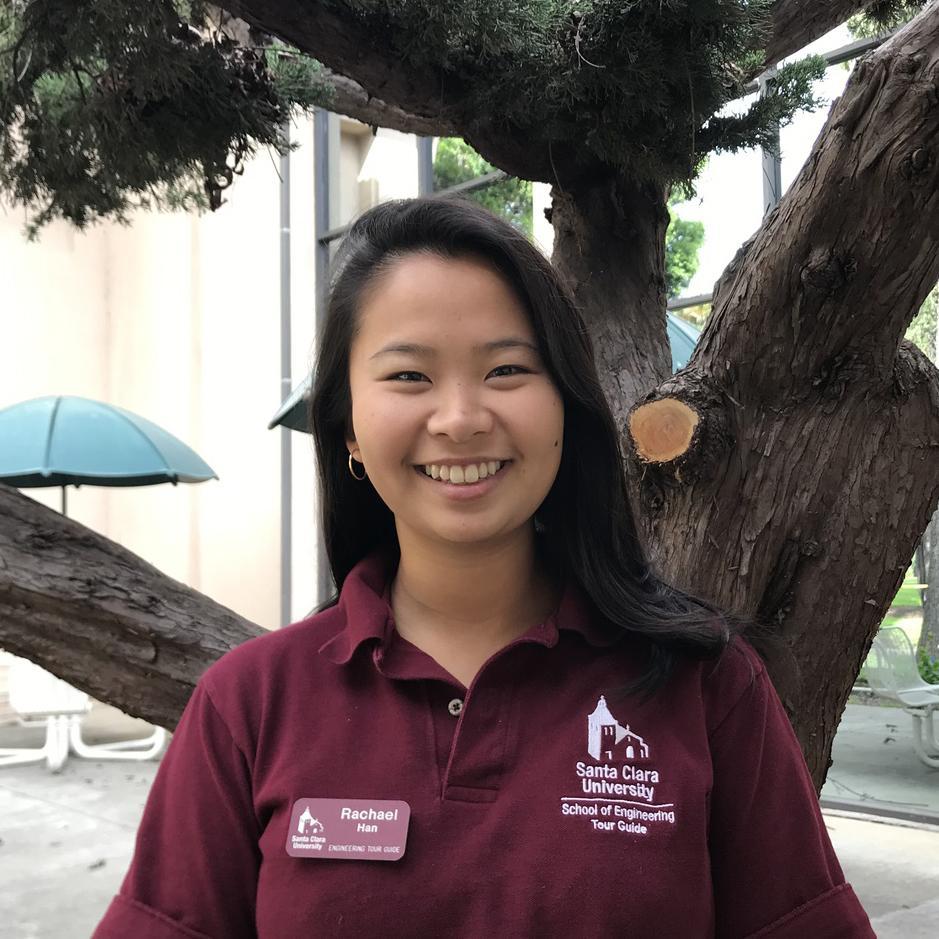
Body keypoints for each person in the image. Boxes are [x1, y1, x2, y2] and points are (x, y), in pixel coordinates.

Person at [94, 196, 874, 938]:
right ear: (348, 432)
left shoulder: (703, 685)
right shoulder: (249, 705)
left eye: (506, 370)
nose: (461, 418)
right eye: (408, 376)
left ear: (565, 406)